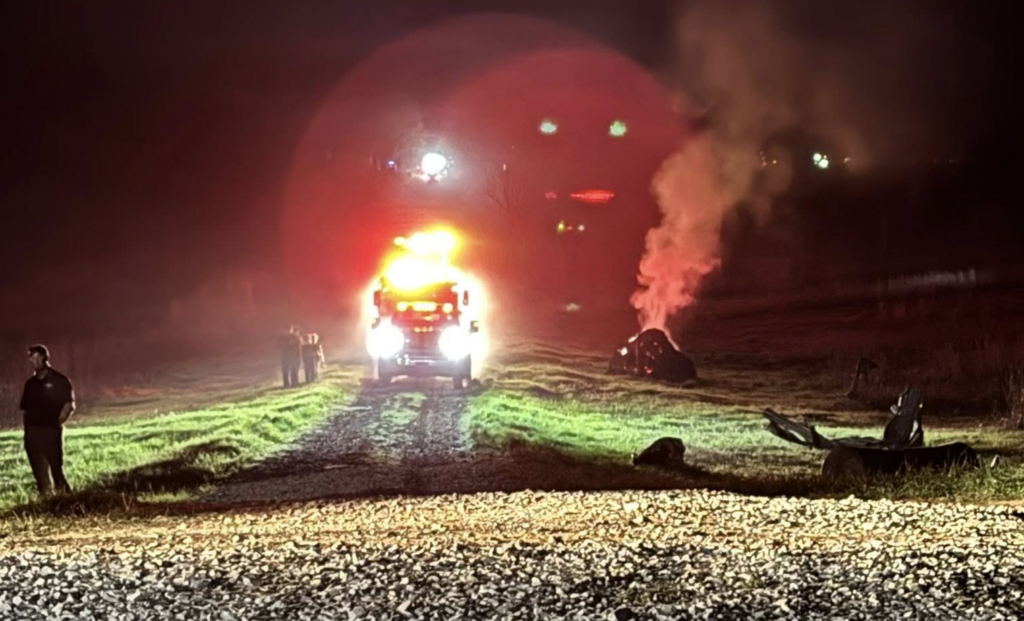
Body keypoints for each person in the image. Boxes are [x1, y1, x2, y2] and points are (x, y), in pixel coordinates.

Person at [18, 344, 75, 496]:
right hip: (32, 433)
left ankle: (68, 502)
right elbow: (25, 409)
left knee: (56, 471)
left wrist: (57, 423)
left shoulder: (59, 380)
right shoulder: (30, 384)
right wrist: (27, 433)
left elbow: (69, 405)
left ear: (45, 357)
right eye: (32, 357)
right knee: (39, 474)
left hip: (51, 431)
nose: (34, 360)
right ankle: (46, 505)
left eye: (37, 357)